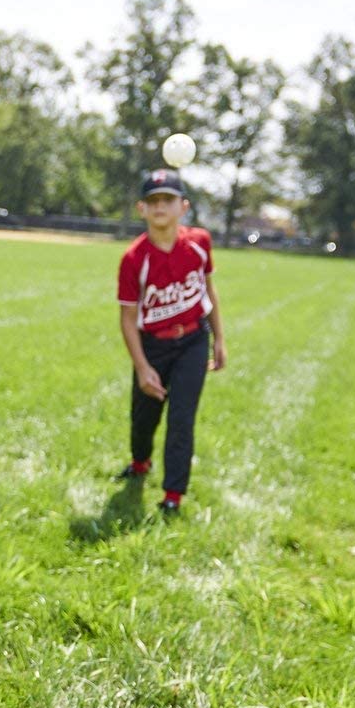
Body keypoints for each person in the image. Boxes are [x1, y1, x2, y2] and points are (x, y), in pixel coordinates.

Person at [115, 168, 226, 513]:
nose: (160, 206)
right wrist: (142, 367)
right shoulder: (134, 258)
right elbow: (128, 319)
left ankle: (173, 495)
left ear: (183, 207)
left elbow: (209, 291)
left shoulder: (199, 243)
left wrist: (219, 338)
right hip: (153, 345)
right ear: (142, 209)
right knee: (144, 416)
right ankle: (140, 462)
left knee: (181, 417)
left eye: (168, 200)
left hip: (193, 340)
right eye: (153, 201)